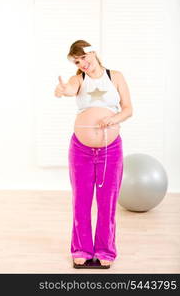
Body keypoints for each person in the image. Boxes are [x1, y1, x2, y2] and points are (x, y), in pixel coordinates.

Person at [54, 40, 133, 268]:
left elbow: (128, 108)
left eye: (83, 58)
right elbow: (69, 89)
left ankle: (105, 250)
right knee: (81, 201)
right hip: (81, 150)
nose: (82, 63)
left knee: (107, 202)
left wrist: (113, 119)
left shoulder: (115, 76)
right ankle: (81, 248)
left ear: (93, 52)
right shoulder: (79, 79)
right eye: (76, 61)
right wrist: (63, 90)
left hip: (111, 149)